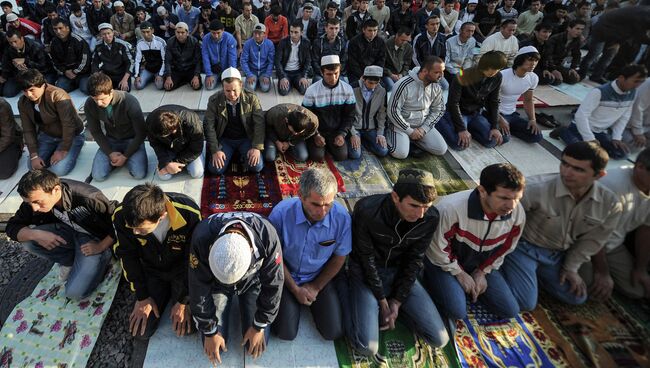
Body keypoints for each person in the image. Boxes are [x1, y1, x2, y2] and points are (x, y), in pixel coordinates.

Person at [501, 142, 623, 308]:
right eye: (565, 164)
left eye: (578, 169)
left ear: (599, 175)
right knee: (525, 302)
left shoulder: (609, 204)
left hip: (557, 254)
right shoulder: (535, 188)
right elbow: (499, 217)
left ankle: (534, 276)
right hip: (523, 248)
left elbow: (592, 241)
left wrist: (571, 268)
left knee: (577, 297)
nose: (567, 173)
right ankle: (510, 271)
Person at [346, 168, 449, 356]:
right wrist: (382, 301)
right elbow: (365, 258)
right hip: (365, 273)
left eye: (426, 207)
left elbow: (415, 260)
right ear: (395, 197)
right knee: (366, 347)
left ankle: (392, 312)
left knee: (439, 339)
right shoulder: (367, 210)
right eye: (414, 205)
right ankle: (356, 304)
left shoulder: (430, 218)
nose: (420, 214)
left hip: (398, 274)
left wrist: (397, 301)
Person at [424, 163, 526, 320]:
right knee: (457, 312)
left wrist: (482, 272)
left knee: (509, 311)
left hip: (478, 264)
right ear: (482, 191)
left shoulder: (517, 214)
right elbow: (437, 248)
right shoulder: (451, 209)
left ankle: (462, 288)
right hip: (444, 264)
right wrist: (459, 273)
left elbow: (506, 248)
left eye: (516, 199)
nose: (511, 206)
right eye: (504, 198)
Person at [189, 211, 284, 365]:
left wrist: (259, 325)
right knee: (215, 346)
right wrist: (209, 331)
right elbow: (198, 286)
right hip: (217, 285)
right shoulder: (201, 237)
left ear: (252, 252)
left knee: (254, 344)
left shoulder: (268, 235)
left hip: (252, 281)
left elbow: (274, 284)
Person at [6, 169, 114, 299]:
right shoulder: (34, 198)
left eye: (37, 202)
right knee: (29, 241)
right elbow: (12, 227)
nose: (34, 208)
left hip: (94, 239)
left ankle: (104, 256)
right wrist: (37, 235)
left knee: (74, 293)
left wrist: (101, 246)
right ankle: (69, 260)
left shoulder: (89, 197)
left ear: (56, 190)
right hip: (69, 231)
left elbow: (119, 223)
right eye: (29, 202)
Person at [269, 168, 348, 341]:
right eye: (316, 204)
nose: (323, 212)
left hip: (318, 276)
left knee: (333, 332)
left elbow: (340, 257)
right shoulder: (280, 214)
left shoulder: (342, 218)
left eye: (328, 204)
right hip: (287, 276)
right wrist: (295, 289)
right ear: (301, 196)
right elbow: (274, 257)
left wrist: (316, 286)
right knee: (286, 333)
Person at [113, 184, 201, 339]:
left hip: (180, 271)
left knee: (190, 326)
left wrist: (183, 299)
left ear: (162, 215)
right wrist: (142, 296)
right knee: (142, 332)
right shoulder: (121, 215)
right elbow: (127, 255)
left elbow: (194, 259)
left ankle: (173, 295)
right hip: (151, 271)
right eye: (132, 228)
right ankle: (162, 294)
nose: (135, 233)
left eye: (141, 230)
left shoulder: (189, 213)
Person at [578, 149, 650, 301]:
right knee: (584, 290)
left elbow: (646, 229)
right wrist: (602, 272)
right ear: (640, 167)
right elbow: (592, 231)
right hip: (584, 240)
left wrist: (640, 268)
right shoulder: (613, 185)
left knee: (637, 290)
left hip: (613, 243)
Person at [554, 64, 647, 160]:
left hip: (601, 132)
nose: (638, 85)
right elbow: (581, 116)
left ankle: (585, 143)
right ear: (621, 78)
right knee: (586, 154)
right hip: (580, 128)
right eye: (635, 81)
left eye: (641, 82)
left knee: (622, 154)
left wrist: (616, 137)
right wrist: (590, 138)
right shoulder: (599, 92)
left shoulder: (632, 93)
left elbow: (624, 116)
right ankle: (564, 131)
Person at [436, 51, 508, 151]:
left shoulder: (497, 76)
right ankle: (440, 120)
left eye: (498, 69)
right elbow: (453, 103)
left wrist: (495, 126)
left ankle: (470, 130)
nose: (495, 71)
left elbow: (494, 101)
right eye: (493, 68)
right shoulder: (462, 75)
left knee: (494, 140)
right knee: (459, 145)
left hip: (475, 113)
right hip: (457, 112)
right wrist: (461, 129)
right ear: (485, 64)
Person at [18, 69, 85, 176]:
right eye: (25, 91)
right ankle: (54, 152)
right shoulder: (23, 102)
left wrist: (63, 150)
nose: (29, 94)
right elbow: (28, 129)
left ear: (43, 85)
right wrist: (34, 155)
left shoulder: (57, 95)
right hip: (47, 135)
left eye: (32, 90)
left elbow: (69, 125)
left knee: (59, 170)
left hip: (72, 135)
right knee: (32, 166)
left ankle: (75, 147)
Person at [85, 72, 147, 181]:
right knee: (98, 176)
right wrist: (110, 153)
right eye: (95, 99)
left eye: (102, 99)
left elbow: (141, 133)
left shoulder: (129, 101)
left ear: (111, 92)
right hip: (112, 140)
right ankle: (116, 160)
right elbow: (96, 132)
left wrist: (125, 156)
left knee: (139, 174)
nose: (99, 103)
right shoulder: (90, 104)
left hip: (132, 139)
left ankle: (123, 160)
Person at [204, 67, 264, 175]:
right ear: (222, 87)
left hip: (245, 138)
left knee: (257, 167)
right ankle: (233, 154)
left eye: (234, 90)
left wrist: (256, 147)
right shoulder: (214, 100)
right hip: (225, 140)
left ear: (241, 85)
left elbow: (259, 124)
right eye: (227, 90)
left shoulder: (252, 98)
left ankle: (237, 154)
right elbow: (209, 125)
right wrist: (215, 150)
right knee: (215, 169)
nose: (232, 94)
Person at [386, 56, 447, 159]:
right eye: (437, 72)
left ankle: (413, 140)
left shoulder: (436, 86)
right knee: (401, 154)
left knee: (441, 149)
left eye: (442, 72)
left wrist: (423, 129)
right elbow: (393, 111)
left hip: (421, 125)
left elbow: (439, 109)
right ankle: (392, 135)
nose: (441, 76)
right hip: (402, 125)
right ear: (424, 71)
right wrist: (409, 131)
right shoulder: (404, 84)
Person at [302, 55, 357, 161]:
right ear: (322, 73)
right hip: (318, 130)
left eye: (336, 73)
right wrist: (316, 135)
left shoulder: (347, 89)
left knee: (342, 156)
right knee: (317, 156)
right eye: (329, 74)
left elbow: (350, 116)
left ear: (340, 70)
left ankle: (328, 146)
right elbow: (306, 117)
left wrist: (342, 134)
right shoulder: (312, 90)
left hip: (336, 131)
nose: (333, 78)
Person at [497, 46, 543, 144]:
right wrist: (499, 119)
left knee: (536, 137)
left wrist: (532, 119)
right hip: (496, 114)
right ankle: (504, 128)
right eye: (530, 60)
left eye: (536, 60)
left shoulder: (533, 78)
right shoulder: (503, 75)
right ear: (520, 60)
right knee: (503, 139)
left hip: (512, 114)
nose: (533, 63)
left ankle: (509, 128)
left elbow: (528, 100)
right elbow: (488, 100)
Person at [147, 104, 205, 180]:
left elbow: (196, 148)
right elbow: (155, 144)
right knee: (164, 177)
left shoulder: (191, 121)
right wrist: (165, 162)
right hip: (168, 148)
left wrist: (175, 162)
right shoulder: (151, 122)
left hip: (189, 148)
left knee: (197, 173)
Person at [1, 29, 55, 97]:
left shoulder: (35, 46)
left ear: (22, 39)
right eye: (10, 42)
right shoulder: (9, 48)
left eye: (15, 41)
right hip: (23, 74)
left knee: (44, 90)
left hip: (41, 73)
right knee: (8, 93)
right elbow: (6, 65)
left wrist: (25, 61)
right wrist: (4, 76)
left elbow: (43, 66)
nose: (13, 45)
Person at [351, 66, 389, 158]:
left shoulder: (382, 90)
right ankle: (358, 139)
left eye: (376, 83)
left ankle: (364, 141)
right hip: (355, 128)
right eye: (370, 83)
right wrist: (353, 133)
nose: (373, 87)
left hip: (371, 128)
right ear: (363, 78)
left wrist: (380, 133)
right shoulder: (353, 88)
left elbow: (382, 114)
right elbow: (347, 114)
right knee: (355, 154)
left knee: (383, 151)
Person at [49, 18, 92, 94]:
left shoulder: (78, 41)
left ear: (67, 28)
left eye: (60, 28)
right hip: (66, 73)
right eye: (55, 29)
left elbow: (85, 60)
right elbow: (54, 61)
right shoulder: (53, 43)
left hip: (82, 72)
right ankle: (74, 84)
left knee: (86, 89)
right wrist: (64, 71)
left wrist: (74, 71)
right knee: (60, 89)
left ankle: (78, 83)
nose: (58, 31)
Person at [92, 23, 134, 91]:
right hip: (107, 75)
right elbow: (95, 62)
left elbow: (130, 62)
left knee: (123, 90)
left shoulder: (122, 44)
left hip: (121, 74)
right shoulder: (98, 46)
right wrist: (97, 76)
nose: (107, 36)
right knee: (97, 90)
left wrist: (125, 80)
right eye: (104, 34)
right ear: (100, 35)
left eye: (109, 33)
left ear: (113, 32)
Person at [541, 19, 584, 86]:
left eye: (581, 29)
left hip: (558, 64)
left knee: (574, 78)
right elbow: (547, 55)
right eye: (577, 28)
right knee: (556, 80)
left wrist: (573, 68)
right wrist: (553, 70)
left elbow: (577, 55)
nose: (579, 31)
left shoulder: (576, 40)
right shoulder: (556, 38)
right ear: (569, 28)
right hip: (546, 64)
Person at [274, 20, 312, 96]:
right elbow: (277, 61)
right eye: (291, 32)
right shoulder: (283, 42)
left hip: (298, 73)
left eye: (296, 32)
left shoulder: (306, 43)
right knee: (283, 92)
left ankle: (294, 82)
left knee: (304, 90)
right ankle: (290, 82)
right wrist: (282, 77)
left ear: (301, 33)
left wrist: (304, 76)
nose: (293, 35)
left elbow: (308, 61)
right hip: (285, 72)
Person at [163, 22, 202, 91]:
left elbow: (198, 60)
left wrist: (196, 76)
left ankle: (185, 80)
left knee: (197, 86)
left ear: (187, 33)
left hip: (190, 69)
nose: (180, 35)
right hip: (177, 69)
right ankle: (184, 81)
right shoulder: (170, 42)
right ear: (175, 32)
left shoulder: (194, 41)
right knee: (167, 87)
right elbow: (167, 61)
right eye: (178, 32)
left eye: (182, 32)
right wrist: (168, 76)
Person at [347, 19, 385, 87]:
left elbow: (381, 60)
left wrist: (374, 74)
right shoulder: (354, 42)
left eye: (375, 30)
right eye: (370, 30)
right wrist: (363, 76)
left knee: (382, 87)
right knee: (356, 87)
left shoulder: (381, 42)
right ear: (364, 30)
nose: (373, 33)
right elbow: (353, 62)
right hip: (356, 73)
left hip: (374, 73)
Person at [411, 15, 447, 89]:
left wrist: (439, 70)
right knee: (425, 86)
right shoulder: (419, 38)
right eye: (432, 24)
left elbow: (444, 56)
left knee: (445, 86)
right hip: (422, 69)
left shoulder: (442, 38)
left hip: (436, 70)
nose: (435, 26)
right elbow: (415, 57)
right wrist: (424, 69)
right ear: (426, 26)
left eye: (437, 24)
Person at [202, 20, 238, 90]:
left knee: (231, 86)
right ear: (210, 31)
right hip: (214, 69)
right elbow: (205, 57)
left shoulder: (229, 38)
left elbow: (232, 58)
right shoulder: (206, 39)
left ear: (223, 30)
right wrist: (209, 74)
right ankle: (219, 78)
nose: (216, 36)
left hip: (226, 68)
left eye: (218, 33)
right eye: (213, 33)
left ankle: (222, 78)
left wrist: (232, 74)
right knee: (209, 87)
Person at [311, 17, 347, 83]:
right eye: (331, 28)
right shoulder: (318, 42)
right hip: (321, 73)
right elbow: (314, 61)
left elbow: (343, 61)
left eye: (336, 28)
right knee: (318, 86)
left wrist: (336, 72)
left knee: (345, 86)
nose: (334, 31)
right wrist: (323, 73)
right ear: (326, 29)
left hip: (337, 73)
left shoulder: (342, 42)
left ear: (339, 29)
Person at [241, 23, 274, 93]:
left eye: (259, 33)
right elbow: (243, 60)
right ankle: (255, 80)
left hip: (264, 71)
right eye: (255, 33)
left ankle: (259, 81)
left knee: (265, 88)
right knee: (250, 89)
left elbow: (271, 61)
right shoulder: (247, 44)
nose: (257, 35)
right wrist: (249, 74)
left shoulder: (269, 44)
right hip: (252, 71)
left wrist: (267, 75)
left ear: (264, 34)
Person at [133, 21, 166, 90]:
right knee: (138, 86)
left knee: (160, 86)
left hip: (159, 69)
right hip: (148, 69)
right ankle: (149, 77)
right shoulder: (139, 44)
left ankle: (155, 77)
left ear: (152, 30)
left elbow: (165, 60)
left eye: (148, 31)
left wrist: (160, 74)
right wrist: (137, 75)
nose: (146, 34)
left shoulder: (160, 42)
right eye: (143, 32)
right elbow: (137, 61)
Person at [383, 27, 413, 92]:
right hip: (387, 74)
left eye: (407, 41)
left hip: (400, 74)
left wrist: (402, 74)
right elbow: (381, 63)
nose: (404, 42)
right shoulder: (385, 45)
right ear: (397, 36)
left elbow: (407, 65)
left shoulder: (408, 47)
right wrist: (390, 74)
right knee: (391, 86)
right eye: (402, 40)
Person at [0, 97, 22, 179]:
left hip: (7, 141)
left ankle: (17, 150)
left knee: (3, 173)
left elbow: (8, 135)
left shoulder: (2, 105)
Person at [625, 79, 650, 150]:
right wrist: (638, 132)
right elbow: (636, 108)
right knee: (634, 146)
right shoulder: (648, 84)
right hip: (629, 125)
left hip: (646, 126)